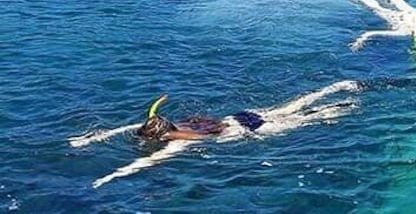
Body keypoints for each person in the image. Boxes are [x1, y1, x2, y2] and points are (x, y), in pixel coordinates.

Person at [69, 81, 360, 187]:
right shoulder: (178, 124)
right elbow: (129, 128)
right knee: (292, 106)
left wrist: (109, 177)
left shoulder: (176, 144)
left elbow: (143, 164)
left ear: (158, 136)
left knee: (307, 119)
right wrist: (93, 138)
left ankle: (340, 106)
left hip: (250, 129)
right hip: (240, 116)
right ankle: (333, 88)